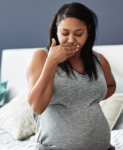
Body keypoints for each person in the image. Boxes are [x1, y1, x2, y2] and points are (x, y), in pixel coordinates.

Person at [26, 2, 116, 150]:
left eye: (78, 33)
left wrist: (86, 98)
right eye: (65, 33)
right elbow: (37, 106)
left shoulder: (99, 61)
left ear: (88, 30)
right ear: (56, 30)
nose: (71, 39)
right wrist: (52, 62)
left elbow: (111, 85)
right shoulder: (41, 57)